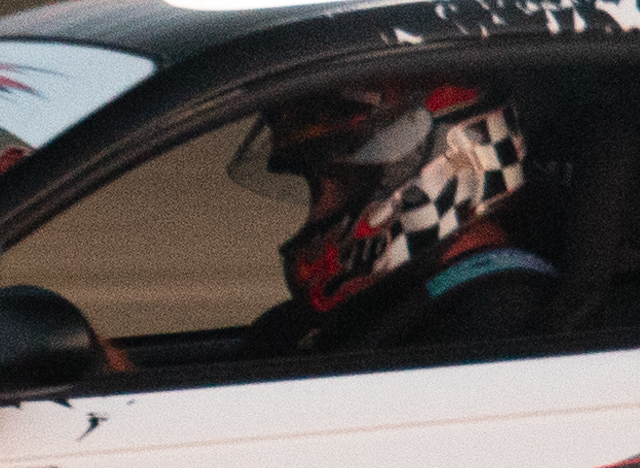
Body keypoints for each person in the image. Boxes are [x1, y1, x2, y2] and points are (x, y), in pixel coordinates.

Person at [234, 73, 557, 362]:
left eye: (342, 182)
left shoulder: (493, 319)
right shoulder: (402, 302)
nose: (317, 213)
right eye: (317, 190)